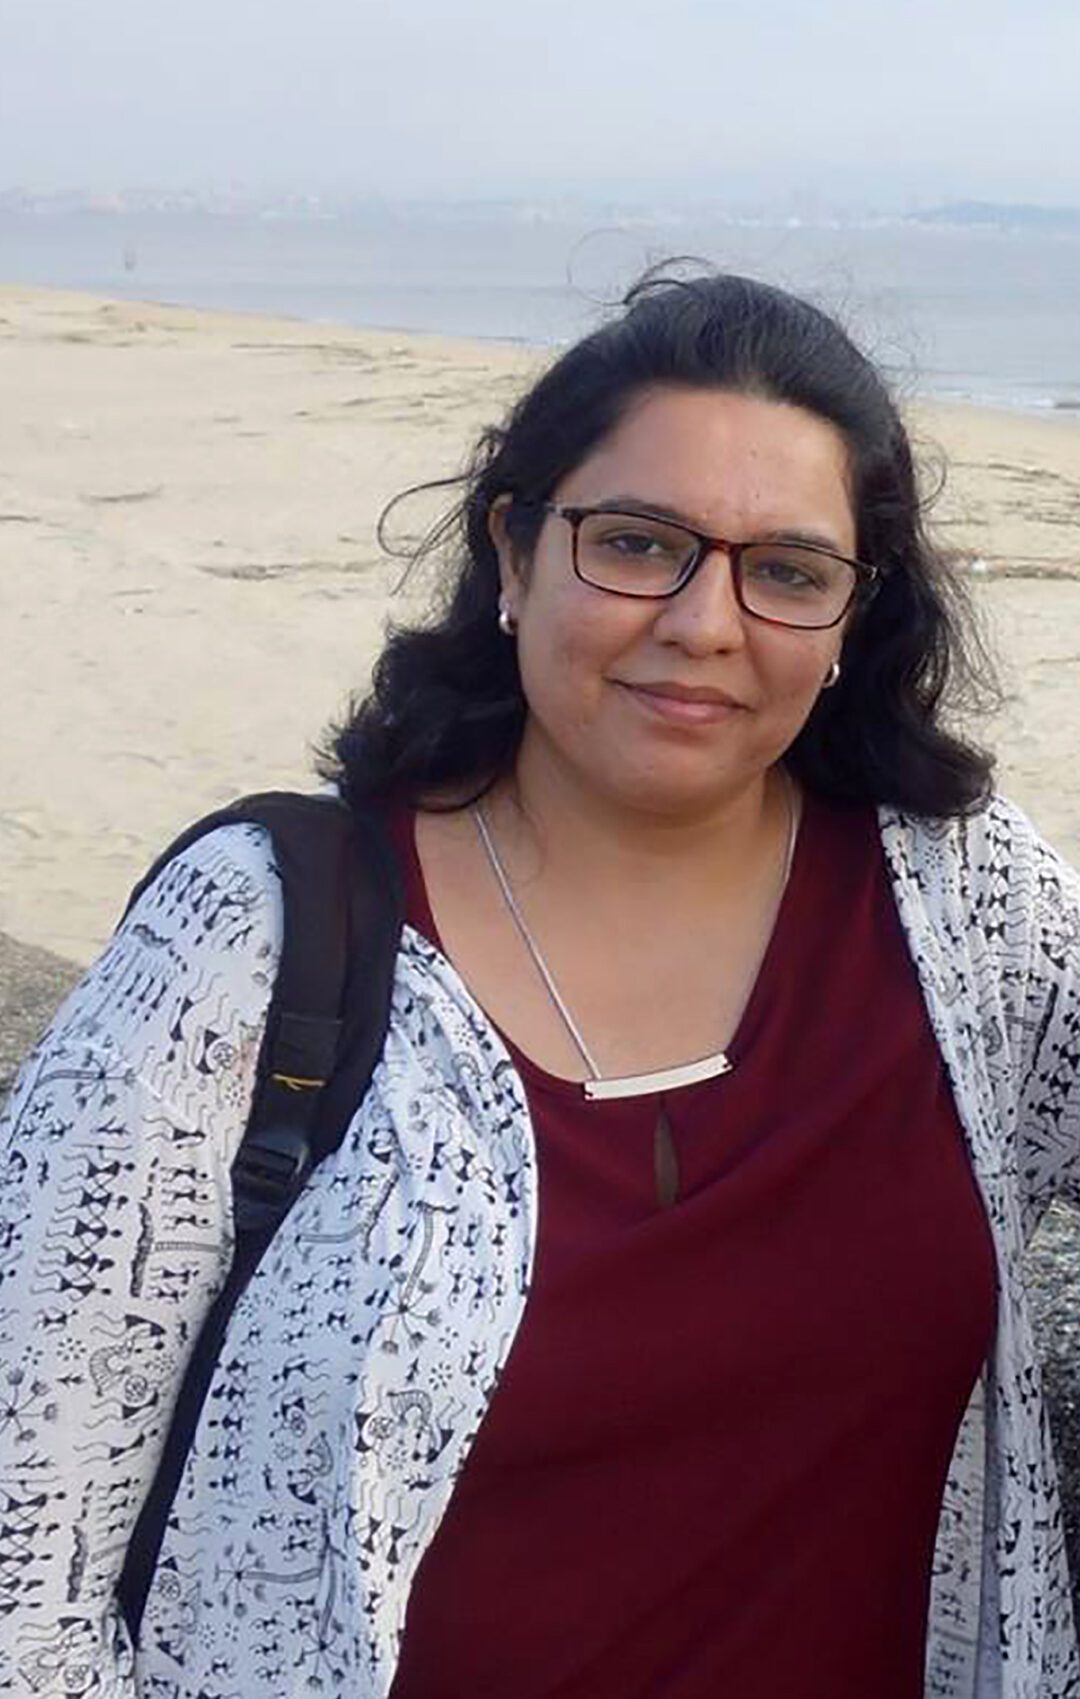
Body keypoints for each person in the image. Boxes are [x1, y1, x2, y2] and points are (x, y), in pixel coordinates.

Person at [1, 268, 1078, 1699]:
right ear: (512, 554)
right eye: (637, 543)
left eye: (788, 571)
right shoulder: (257, 937)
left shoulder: (966, 907)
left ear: (851, 621)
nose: (705, 622)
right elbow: (29, 1547)